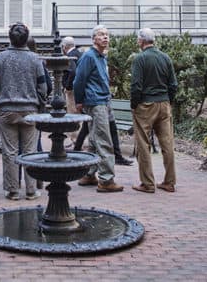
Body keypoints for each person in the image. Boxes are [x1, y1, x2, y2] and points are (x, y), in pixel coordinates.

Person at [0, 23, 48, 200]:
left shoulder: (1, 57)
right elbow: (43, 86)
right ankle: (31, 190)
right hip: (30, 109)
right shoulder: (35, 59)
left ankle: (12, 190)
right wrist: (40, 104)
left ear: (10, 38)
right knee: (30, 152)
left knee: (9, 151)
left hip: (7, 109)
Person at [73, 25, 123, 193]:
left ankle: (89, 174)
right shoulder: (89, 56)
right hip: (96, 102)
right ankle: (106, 180)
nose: (105, 37)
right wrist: (79, 101)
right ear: (94, 39)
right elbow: (78, 80)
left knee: (95, 140)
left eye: (107, 35)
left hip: (103, 101)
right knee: (104, 140)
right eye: (101, 35)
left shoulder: (101, 56)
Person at [130, 27, 178, 193]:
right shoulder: (165, 58)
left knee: (143, 144)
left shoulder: (139, 59)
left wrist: (134, 105)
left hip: (145, 105)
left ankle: (148, 183)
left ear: (141, 41)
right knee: (167, 143)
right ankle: (170, 182)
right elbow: (173, 84)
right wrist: (169, 101)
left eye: (138, 40)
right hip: (164, 104)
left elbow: (136, 85)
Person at [61, 36, 81, 112]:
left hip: (72, 90)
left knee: (72, 113)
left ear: (64, 46)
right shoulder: (79, 54)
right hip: (79, 88)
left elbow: (73, 71)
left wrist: (68, 87)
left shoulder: (70, 56)